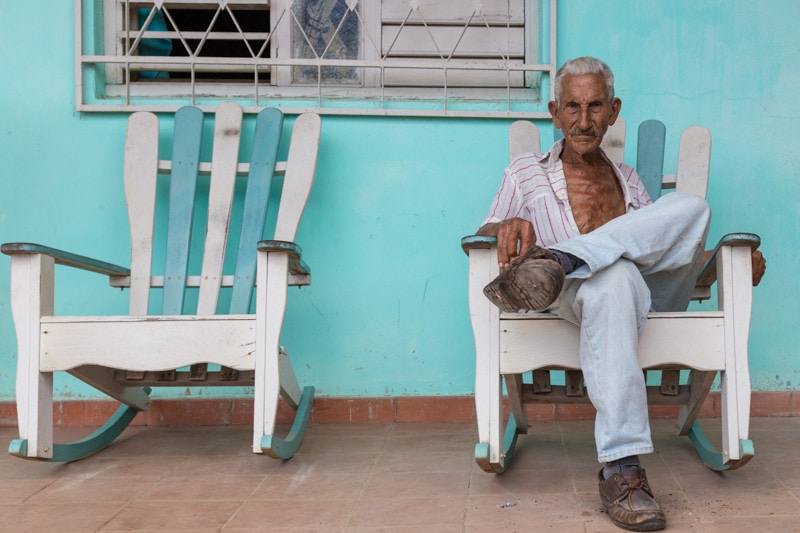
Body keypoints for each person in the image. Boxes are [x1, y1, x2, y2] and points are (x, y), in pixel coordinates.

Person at [477, 56, 766, 532]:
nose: (584, 120)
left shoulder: (630, 180)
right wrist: (506, 224)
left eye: (595, 107)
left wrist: (722, 262)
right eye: (572, 106)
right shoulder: (525, 173)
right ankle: (622, 470)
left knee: (692, 207)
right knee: (611, 278)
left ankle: (566, 256)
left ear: (613, 111)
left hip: (644, 295)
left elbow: (660, 246)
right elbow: (485, 231)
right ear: (554, 111)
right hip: (570, 299)